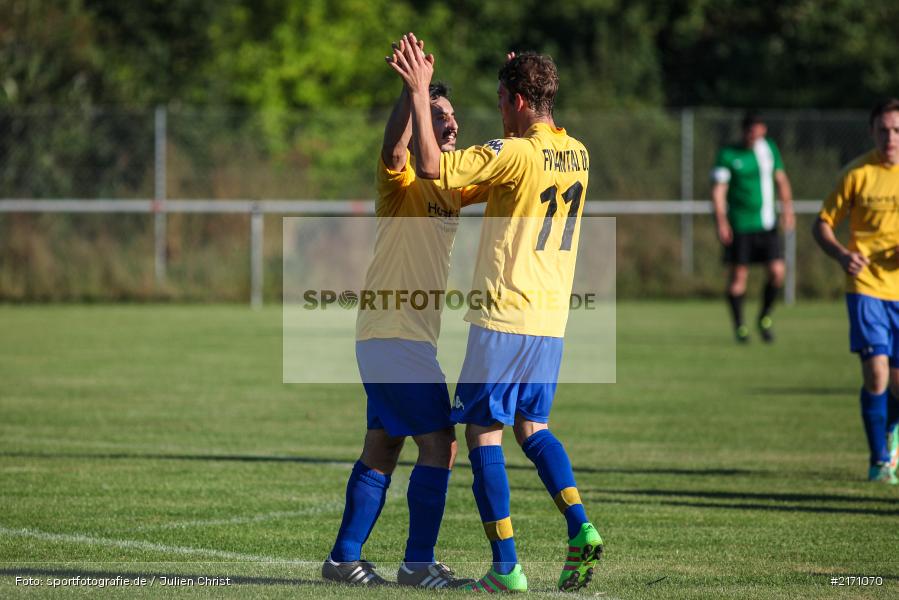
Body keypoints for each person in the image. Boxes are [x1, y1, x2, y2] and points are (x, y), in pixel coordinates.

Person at [389, 34, 603, 593]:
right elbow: (530, 144)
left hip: (504, 317)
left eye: (502, 99)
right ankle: (580, 524)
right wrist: (520, 84)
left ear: (517, 102)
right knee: (535, 428)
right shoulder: (578, 151)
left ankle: (506, 566)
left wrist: (416, 91)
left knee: (484, 437)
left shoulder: (513, 153)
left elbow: (432, 165)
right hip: (551, 323)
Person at [322, 38, 484, 588]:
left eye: (454, 117)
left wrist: (526, 98)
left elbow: (514, 169)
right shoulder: (401, 184)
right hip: (393, 336)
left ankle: (344, 558)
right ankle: (417, 563)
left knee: (384, 446)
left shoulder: (450, 185)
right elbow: (395, 148)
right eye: (440, 118)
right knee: (440, 441)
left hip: (398, 336)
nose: (453, 126)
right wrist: (411, 93)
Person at [812, 98, 899, 485]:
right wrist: (842, 254)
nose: (890, 137)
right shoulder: (857, 173)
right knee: (877, 374)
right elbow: (823, 224)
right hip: (865, 286)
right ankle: (879, 459)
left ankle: (890, 436)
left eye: (897, 130)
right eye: (883, 129)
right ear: (872, 131)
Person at [711, 112, 795, 343]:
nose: (752, 135)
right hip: (740, 225)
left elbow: (781, 180)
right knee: (739, 276)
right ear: (743, 131)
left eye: (756, 130)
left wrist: (787, 209)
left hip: (766, 224)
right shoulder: (728, 154)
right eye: (748, 130)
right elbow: (718, 191)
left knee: (777, 272)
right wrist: (721, 221)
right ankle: (740, 326)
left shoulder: (769, 150)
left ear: (763, 130)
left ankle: (765, 317)